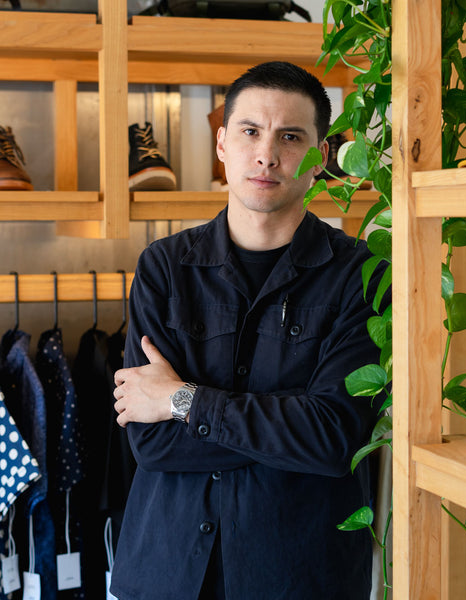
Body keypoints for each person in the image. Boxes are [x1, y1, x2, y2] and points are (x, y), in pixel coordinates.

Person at [110, 61, 386, 600]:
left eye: (290, 136)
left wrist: (183, 400)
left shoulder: (361, 275)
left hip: (298, 577)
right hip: (167, 572)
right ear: (222, 143)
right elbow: (151, 441)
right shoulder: (164, 268)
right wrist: (284, 428)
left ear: (320, 158)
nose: (267, 154)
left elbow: (333, 438)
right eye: (250, 131)